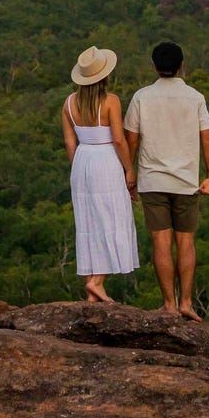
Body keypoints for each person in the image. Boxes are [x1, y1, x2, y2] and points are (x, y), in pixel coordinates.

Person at [123, 40, 209, 319]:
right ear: (181, 66)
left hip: (153, 181)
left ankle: (169, 304)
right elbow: (208, 138)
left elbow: (131, 139)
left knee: (161, 243)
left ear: (154, 66)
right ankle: (186, 303)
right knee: (186, 242)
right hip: (186, 182)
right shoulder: (195, 97)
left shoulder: (141, 97)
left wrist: (129, 173)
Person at [60, 45, 139, 302]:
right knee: (111, 217)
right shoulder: (111, 101)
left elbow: (70, 144)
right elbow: (118, 139)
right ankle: (97, 281)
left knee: (88, 221)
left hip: (82, 161)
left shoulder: (69, 103)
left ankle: (91, 287)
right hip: (106, 159)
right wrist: (129, 169)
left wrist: (80, 167)